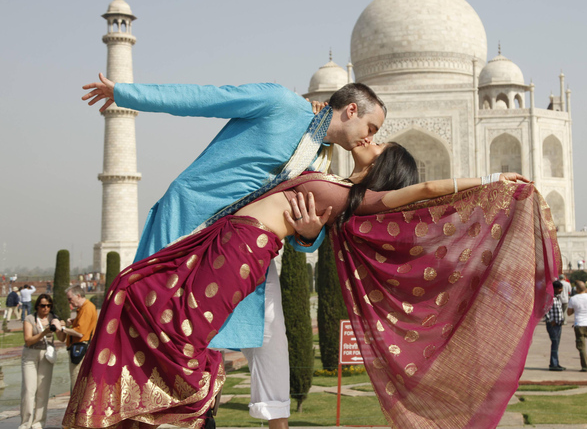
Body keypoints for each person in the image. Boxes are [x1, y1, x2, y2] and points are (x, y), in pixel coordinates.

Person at [64, 139, 554, 429]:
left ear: (383, 168)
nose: (372, 138)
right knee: (135, 289)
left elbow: (426, 190)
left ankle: (172, 405)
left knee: (165, 323)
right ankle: (155, 403)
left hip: (242, 251)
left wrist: (493, 178)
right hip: (227, 240)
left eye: (379, 142)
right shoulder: (328, 181)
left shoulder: (361, 199)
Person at [81, 75, 386, 428]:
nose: (370, 137)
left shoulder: (319, 163)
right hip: (188, 222)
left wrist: (309, 234)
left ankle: (257, 421)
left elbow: (303, 234)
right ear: (351, 109)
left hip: (241, 248)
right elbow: (202, 97)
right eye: (371, 126)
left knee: (268, 330)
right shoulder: (280, 104)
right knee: (156, 327)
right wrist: (123, 93)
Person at [20, 294, 62, 429]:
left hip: (46, 355)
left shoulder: (53, 318)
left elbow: (61, 338)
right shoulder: (30, 319)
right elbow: (28, 340)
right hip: (31, 354)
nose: (46, 308)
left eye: (49, 306)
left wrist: (60, 326)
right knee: (29, 390)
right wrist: (44, 332)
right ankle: (25, 423)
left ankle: (38, 423)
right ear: (37, 306)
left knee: (43, 391)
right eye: (43, 305)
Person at [57, 286, 97, 391]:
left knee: (77, 384)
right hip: (81, 348)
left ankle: (77, 407)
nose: (69, 302)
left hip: (80, 349)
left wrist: (62, 329)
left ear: (78, 296)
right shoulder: (84, 308)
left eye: (70, 299)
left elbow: (80, 333)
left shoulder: (87, 308)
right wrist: (74, 321)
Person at [545, 281, 566, 371]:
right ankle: (553, 364)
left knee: (556, 344)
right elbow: (545, 309)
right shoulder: (549, 298)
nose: (561, 290)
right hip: (553, 325)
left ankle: (555, 363)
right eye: (560, 288)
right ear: (555, 289)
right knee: (555, 344)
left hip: (558, 324)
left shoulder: (557, 298)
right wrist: (550, 320)